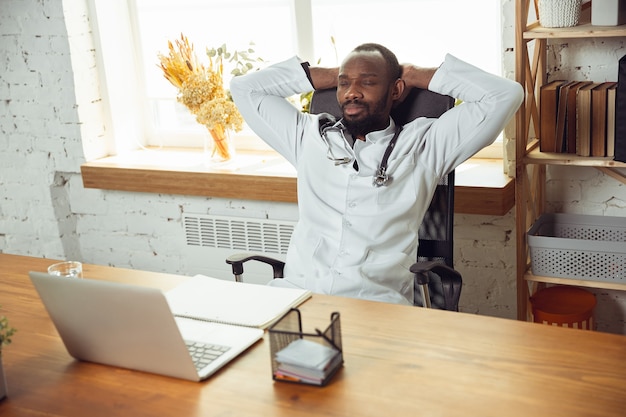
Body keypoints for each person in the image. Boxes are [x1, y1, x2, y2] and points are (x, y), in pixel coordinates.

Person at [230, 43, 523, 305]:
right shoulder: (306, 135)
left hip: (373, 303)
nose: (352, 92)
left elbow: (505, 95)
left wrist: (414, 73)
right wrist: (337, 75)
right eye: (345, 85)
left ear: (395, 90)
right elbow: (244, 88)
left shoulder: (425, 145)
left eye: (368, 83)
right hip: (298, 296)